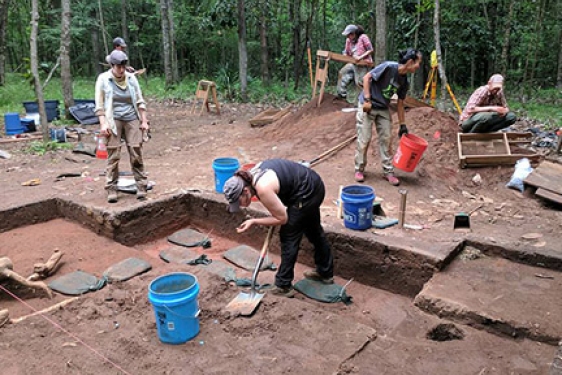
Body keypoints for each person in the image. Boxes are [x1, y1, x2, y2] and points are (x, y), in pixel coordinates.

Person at [223, 159, 334, 298]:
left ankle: (283, 285)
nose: (240, 206)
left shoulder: (262, 189)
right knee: (313, 230)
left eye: (239, 201)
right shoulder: (249, 177)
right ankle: (325, 272)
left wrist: (254, 221)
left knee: (289, 236)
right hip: (310, 184)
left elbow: (282, 219)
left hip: (307, 192)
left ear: (245, 190)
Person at [354, 48, 423, 186]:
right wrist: (367, 100)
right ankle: (359, 169)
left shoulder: (404, 81)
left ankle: (388, 171)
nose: (418, 66)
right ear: (410, 62)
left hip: (383, 108)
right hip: (369, 104)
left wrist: (403, 124)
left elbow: (400, 103)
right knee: (364, 138)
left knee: (386, 139)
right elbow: (366, 78)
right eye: (418, 63)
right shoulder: (388, 67)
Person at [95, 50, 150, 203]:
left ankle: (141, 185)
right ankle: (111, 188)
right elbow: (99, 106)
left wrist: (144, 121)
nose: (121, 69)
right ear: (112, 65)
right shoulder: (103, 79)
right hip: (112, 119)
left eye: (123, 66)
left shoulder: (131, 79)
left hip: (131, 117)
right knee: (113, 155)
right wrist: (103, 124)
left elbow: (140, 101)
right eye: (118, 66)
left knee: (135, 151)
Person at [337, 24, 374, 100]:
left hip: (364, 64)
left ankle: (362, 102)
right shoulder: (348, 41)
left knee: (360, 83)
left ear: (354, 34)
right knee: (342, 73)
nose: (348, 37)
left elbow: (370, 50)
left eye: (349, 35)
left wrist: (360, 57)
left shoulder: (363, 37)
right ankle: (342, 97)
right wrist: (344, 55)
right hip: (353, 63)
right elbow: (346, 52)